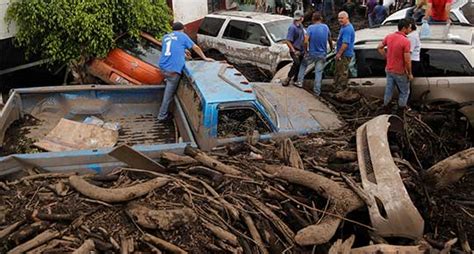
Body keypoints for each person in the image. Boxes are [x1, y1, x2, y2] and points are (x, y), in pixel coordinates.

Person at [158, 22, 213, 122]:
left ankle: (167, 80)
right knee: (168, 95)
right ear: (182, 29)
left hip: (162, 68)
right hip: (173, 71)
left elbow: (171, 49)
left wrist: (183, 51)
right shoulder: (183, 36)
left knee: (169, 81)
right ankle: (162, 115)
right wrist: (204, 58)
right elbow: (195, 47)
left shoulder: (165, 37)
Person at [377, 18, 413, 113]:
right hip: (400, 72)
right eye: (409, 28)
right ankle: (401, 110)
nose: (410, 29)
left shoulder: (389, 37)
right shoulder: (406, 41)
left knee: (389, 90)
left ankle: (386, 107)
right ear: (404, 28)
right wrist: (409, 74)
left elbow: (379, 47)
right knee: (404, 92)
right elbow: (407, 61)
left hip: (389, 69)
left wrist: (387, 57)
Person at [297, 12, 333, 95]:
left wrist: (306, 51)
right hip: (322, 54)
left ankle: (299, 82)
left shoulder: (310, 28)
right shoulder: (325, 27)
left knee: (303, 65)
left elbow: (305, 41)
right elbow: (329, 39)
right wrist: (331, 49)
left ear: (313, 19)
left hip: (312, 53)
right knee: (318, 73)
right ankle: (317, 92)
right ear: (321, 18)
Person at [283, 10, 306, 87]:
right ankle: (288, 78)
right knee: (296, 63)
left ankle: (296, 79)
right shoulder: (292, 28)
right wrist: (293, 50)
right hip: (295, 49)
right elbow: (288, 41)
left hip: (301, 50)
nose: (297, 21)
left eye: (299, 19)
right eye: (296, 19)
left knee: (300, 65)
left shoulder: (301, 26)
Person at [333, 11, 355, 89]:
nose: (340, 20)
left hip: (344, 55)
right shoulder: (343, 27)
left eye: (342, 18)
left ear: (347, 18)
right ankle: (336, 87)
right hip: (342, 54)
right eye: (339, 18)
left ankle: (340, 89)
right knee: (338, 71)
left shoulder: (347, 29)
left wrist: (339, 54)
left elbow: (345, 43)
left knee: (342, 73)